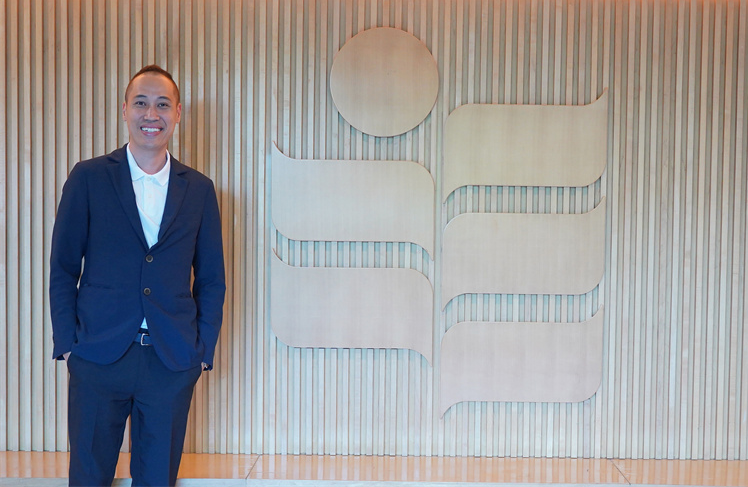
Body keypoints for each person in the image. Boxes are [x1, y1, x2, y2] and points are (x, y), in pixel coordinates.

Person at [49, 65, 226, 487]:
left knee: (157, 480)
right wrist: (69, 345)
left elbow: (211, 279)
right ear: (125, 109)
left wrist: (201, 351)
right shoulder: (88, 177)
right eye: (141, 103)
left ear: (177, 113)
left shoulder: (199, 189)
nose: (152, 114)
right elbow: (63, 267)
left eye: (162, 104)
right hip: (98, 357)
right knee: (88, 479)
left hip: (170, 361)